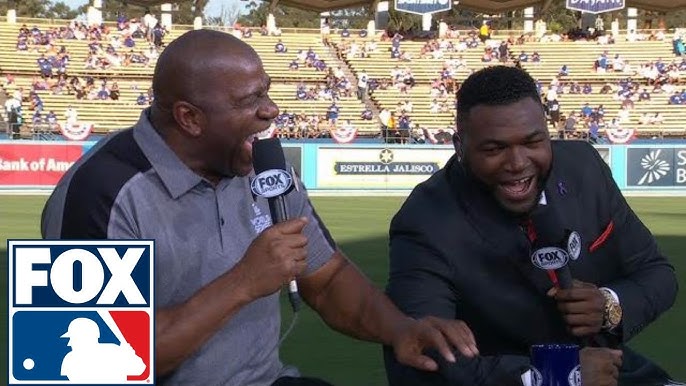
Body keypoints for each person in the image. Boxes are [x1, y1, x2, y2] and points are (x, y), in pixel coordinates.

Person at [40, 29, 478, 386]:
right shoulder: (98, 191)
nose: (271, 110)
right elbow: (86, 365)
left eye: (266, 93)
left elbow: (326, 281)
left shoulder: (261, 168)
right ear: (189, 117)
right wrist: (243, 283)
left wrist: (400, 329)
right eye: (249, 101)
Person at [384, 66, 680, 386]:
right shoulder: (425, 221)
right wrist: (562, 374)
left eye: (532, 141)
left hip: (618, 372)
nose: (518, 163)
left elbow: (657, 273)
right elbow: (421, 357)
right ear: (460, 146)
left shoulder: (583, 166)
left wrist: (609, 306)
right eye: (494, 149)